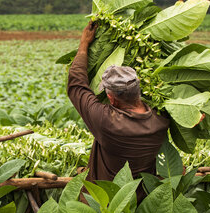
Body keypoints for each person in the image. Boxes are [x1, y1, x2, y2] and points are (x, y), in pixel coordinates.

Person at [67, 22, 170, 199]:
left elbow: (77, 85)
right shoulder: (161, 120)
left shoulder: (106, 121)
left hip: (104, 203)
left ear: (112, 98)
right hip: (139, 202)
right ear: (139, 91)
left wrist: (84, 44)